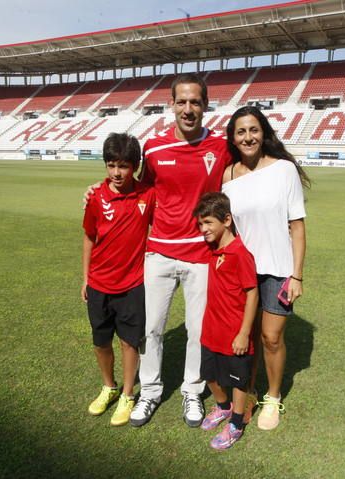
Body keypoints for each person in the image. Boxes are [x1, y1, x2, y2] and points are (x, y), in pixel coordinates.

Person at [128, 73, 233, 428]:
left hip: (201, 255)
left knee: (197, 331)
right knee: (152, 328)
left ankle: (192, 390)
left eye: (195, 102)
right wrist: (99, 187)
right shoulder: (153, 147)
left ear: (206, 105)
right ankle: (150, 392)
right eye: (182, 102)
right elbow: (139, 192)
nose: (188, 109)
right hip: (158, 253)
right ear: (171, 104)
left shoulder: (220, 145)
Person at [221, 106, 309, 431]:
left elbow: (297, 226)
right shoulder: (228, 175)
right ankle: (249, 392)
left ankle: (273, 397)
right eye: (241, 131)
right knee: (247, 338)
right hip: (244, 272)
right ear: (233, 138)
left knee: (271, 337)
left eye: (253, 130)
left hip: (279, 269)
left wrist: (296, 275)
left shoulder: (284, 170)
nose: (248, 137)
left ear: (264, 132)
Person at [82, 133, 156, 426]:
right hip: (99, 284)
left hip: (132, 285)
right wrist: (85, 278)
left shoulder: (147, 195)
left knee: (128, 342)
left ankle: (127, 394)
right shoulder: (96, 196)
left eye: (123, 166)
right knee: (101, 342)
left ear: (135, 166)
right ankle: (108, 387)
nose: (116, 173)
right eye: (111, 165)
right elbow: (89, 236)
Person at [193, 192, 258, 450]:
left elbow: (252, 293)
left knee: (238, 381)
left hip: (234, 332)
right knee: (208, 375)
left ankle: (237, 423)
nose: (203, 229)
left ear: (227, 220)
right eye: (200, 224)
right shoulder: (211, 248)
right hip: (211, 329)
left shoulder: (241, 253)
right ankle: (222, 407)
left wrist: (244, 333)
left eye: (208, 222)